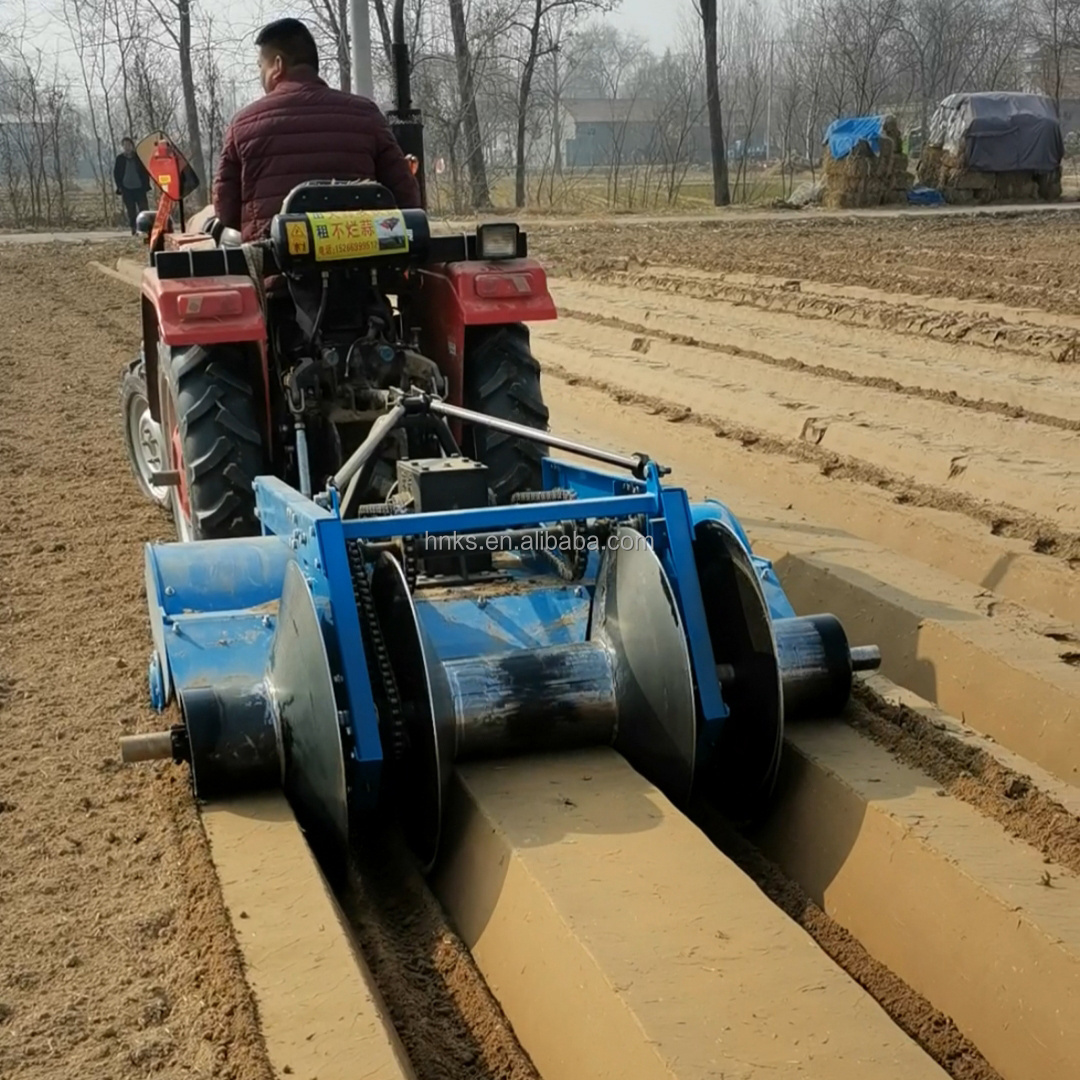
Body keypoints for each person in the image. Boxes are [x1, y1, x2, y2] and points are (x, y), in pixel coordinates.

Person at [213, 18, 421, 243]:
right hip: (366, 270)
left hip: (277, 273)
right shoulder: (367, 115)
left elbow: (226, 211)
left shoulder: (244, 125)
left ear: (278, 66)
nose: (260, 75)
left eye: (260, 66)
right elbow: (406, 197)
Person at [113, 137, 151, 234]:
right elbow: (116, 174)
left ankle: (146, 228)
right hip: (126, 189)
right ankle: (133, 229)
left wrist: (146, 185)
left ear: (132, 146)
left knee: (144, 209)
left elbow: (145, 172)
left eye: (128, 145)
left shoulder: (138, 158)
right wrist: (119, 187)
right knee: (131, 211)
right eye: (125, 145)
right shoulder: (120, 159)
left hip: (139, 188)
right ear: (122, 147)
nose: (127, 147)